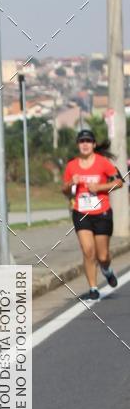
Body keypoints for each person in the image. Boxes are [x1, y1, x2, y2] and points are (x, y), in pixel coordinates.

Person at [62, 128, 123, 301]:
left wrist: (100, 187)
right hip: (81, 213)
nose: (85, 144)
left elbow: (119, 182)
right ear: (78, 145)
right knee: (88, 251)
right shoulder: (71, 165)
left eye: (88, 141)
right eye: (82, 141)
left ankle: (106, 269)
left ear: (94, 144)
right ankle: (93, 288)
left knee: (102, 256)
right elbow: (65, 191)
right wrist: (69, 184)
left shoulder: (103, 162)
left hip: (102, 212)